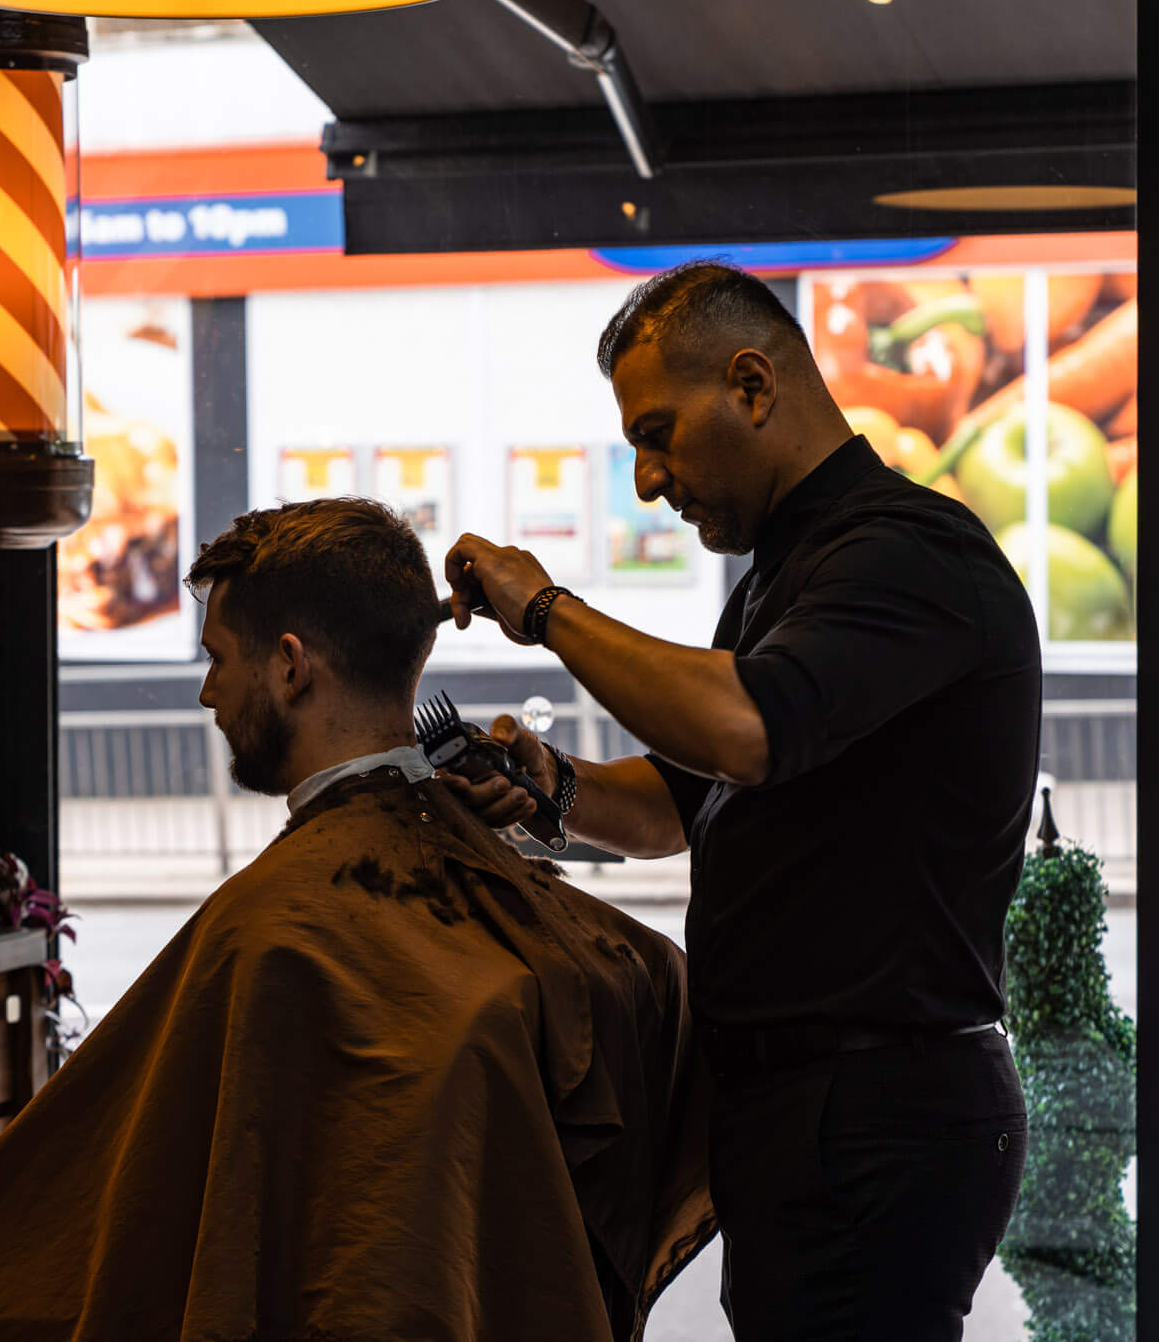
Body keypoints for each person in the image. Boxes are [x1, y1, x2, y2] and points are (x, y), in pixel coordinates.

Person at [0, 497, 716, 1342]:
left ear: (291, 664)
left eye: (220, 659)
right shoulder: (567, 931)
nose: (206, 693)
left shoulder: (272, 936)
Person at [442, 260, 1041, 1342]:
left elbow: (741, 729)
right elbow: (682, 800)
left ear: (754, 386)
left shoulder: (905, 556)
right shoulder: (783, 575)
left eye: (657, 433)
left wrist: (545, 610)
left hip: (876, 1111)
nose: (647, 479)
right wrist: (548, 788)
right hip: (801, 1111)